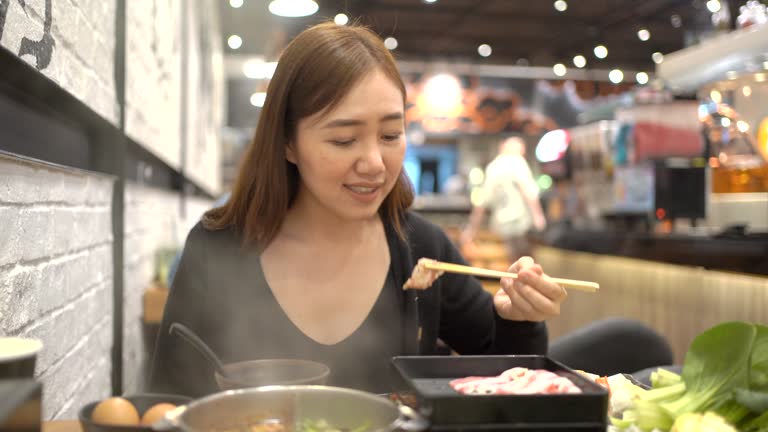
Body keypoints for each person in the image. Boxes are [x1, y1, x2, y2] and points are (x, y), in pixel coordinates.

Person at [147, 22, 567, 398]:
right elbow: (170, 403)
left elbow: (509, 376)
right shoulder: (218, 249)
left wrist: (520, 319)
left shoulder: (420, 247)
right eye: (344, 140)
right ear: (288, 143)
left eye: (390, 134)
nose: (374, 163)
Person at [461, 136, 547, 260]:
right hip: (520, 223)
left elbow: (482, 201)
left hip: (501, 224)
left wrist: (472, 229)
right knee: (526, 261)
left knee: (511, 259)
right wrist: (538, 217)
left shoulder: (493, 166)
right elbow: (529, 193)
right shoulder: (517, 162)